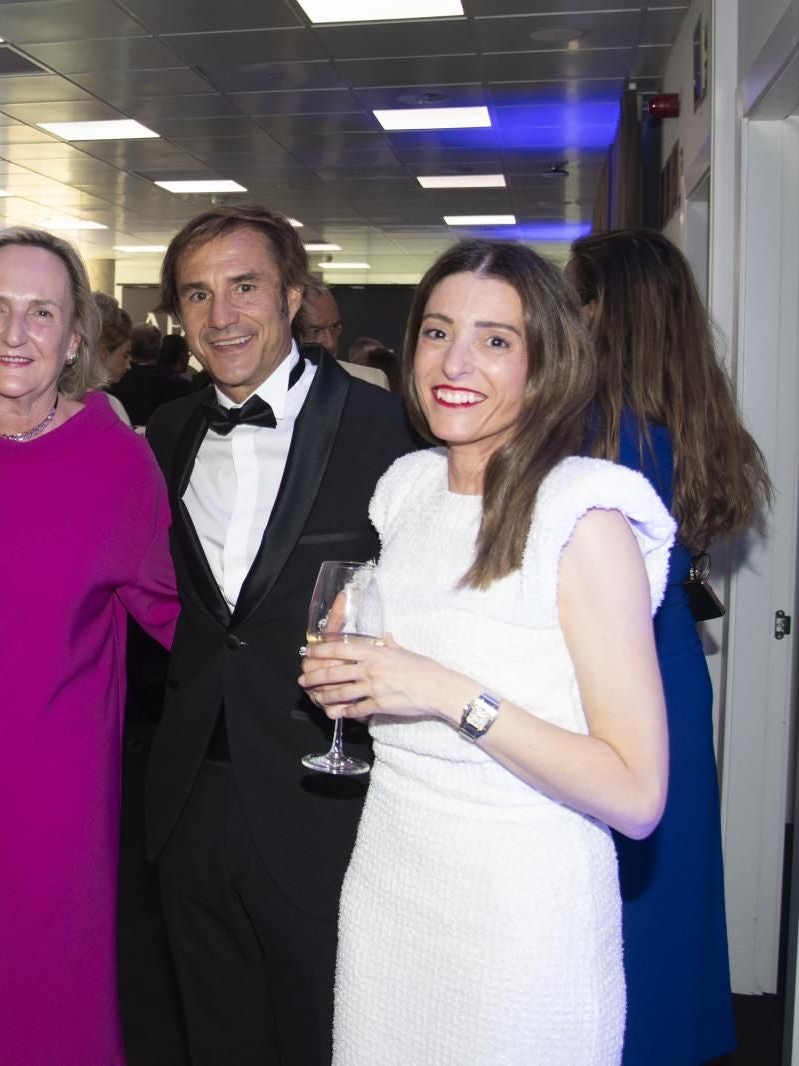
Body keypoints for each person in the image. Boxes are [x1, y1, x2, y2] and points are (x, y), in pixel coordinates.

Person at [300, 239, 676, 1065]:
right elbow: (405, 680)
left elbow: (637, 793)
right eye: (436, 332)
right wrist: (357, 689)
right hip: (392, 887)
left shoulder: (583, 517)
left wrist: (439, 689)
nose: (454, 361)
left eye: (495, 339)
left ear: (547, 364)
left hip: (521, 918)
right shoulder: (408, 490)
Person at [0, 227, 179, 1064]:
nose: (16, 335)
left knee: (53, 1012)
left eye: (42, 313)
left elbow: (184, 620)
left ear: (77, 338)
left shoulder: (116, 463)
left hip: (58, 809)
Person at [143, 204, 415, 1066]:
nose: (220, 315)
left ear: (295, 294)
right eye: (197, 293)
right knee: (212, 1035)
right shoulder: (168, 433)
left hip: (322, 796)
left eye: (245, 286)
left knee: (324, 1037)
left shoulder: (392, 434)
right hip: (191, 798)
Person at [568, 228, 767, 1066]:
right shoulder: (696, 415)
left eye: (578, 298)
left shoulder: (595, 435)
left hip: (603, 671)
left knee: (609, 904)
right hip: (673, 662)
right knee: (667, 887)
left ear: (610, 310)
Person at [295, 284, 387, 389]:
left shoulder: (372, 382)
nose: (330, 343)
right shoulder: (276, 387)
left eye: (335, 327)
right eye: (316, 331)